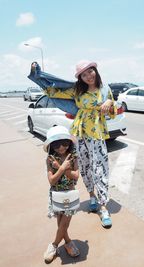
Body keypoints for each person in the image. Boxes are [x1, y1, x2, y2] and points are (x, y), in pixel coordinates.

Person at [45, 60, 117, 228]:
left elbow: (112, 113)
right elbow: (55, 92)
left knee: (100, 169)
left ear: (95, 71)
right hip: (80, 132)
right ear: (80, 78)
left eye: (90, 72)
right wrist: (41, 79)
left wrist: (110, 103)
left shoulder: (105, 89)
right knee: (84, 167)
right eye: (83, 75)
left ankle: (103, 207)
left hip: (97, 133)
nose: (88, 76)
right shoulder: (77, 90)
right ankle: (92, 196)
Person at [43, 126, 80, 263]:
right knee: (61, 223)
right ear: (51, 145)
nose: (61, 147)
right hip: (57, 194)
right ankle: (68, 242)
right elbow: (52, 181)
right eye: (57, 144)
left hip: (70, 194)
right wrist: (63, 168)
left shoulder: (73, 157)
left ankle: (53, 245)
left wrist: (61, 168)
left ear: (69, 142)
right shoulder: (50, 159)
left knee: (64, 223)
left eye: (65, 143)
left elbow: (76, 177)